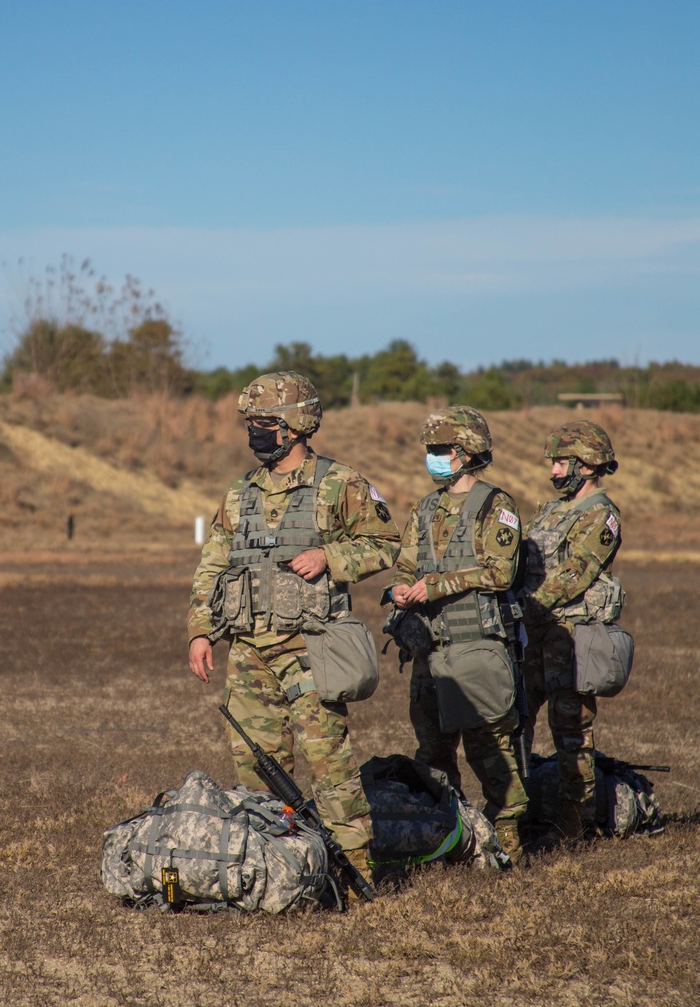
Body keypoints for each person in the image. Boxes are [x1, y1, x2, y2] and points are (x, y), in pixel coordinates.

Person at [188, 372, 400, 875]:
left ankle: (356, 873)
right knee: (257, 769)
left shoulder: (339, 483)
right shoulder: (240, 493)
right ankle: (275, 867)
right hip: (249, 653)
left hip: (312, 646)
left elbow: (387, 543)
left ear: (295, 425)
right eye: (251, 424)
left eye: (264, 423)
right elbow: (212, 566)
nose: (254, 433)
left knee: (330, 766)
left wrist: (330, 557)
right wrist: (200, 630)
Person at [386, 406, 528, 863]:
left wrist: (437, 585)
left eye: (440, 450)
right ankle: (449, 834)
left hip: (476, 647)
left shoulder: (496, 505)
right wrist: (400, 588)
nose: (433, 458)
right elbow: (406, 562)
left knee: (490, 745)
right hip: (431, 651)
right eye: (429, 450)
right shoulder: (425, 507)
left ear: (467, 453)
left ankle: (508, 843)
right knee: (431, 748)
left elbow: (500, 571)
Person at [520, 421, 623, 844]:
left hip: (569, 636)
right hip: (533, 634)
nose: (555, 471)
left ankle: (572, 823)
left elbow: (575, 573)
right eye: (555, 463)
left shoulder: (603, 514)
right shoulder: (550, 509)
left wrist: (526, 608)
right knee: (516, 722)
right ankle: (519, 811)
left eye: (562, 462)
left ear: (588, 464)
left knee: (571, 730)